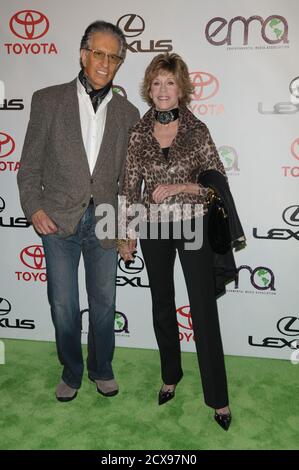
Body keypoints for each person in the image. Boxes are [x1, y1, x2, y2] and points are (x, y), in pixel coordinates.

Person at [17, 21, 140, 402]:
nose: (105, 63)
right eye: (99, 53)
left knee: (105, 304)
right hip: (58, 219)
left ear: (120, 63)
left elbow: (129, 182)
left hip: (106, 220)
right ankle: (71, 371)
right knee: (64, 304)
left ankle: (102, 369)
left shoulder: (128, 112)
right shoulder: (47, 99)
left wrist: (128, 230)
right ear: (83, 53)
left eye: (114, 57)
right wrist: (33, 207)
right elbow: (29, 166)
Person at [119, 53, 237, 430]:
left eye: (169, 82)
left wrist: (183, 186)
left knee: (203, 311)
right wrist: (127, 233)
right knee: (161, 306)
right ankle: (170, 375)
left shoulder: (197, 130)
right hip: (153, 229)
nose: (162, 90)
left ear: (181, 87)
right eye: (156, 83)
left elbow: (216, 183)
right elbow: (128, 188)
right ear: (148, 89)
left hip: (193, 227)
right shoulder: (138, 133)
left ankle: (218, 398)